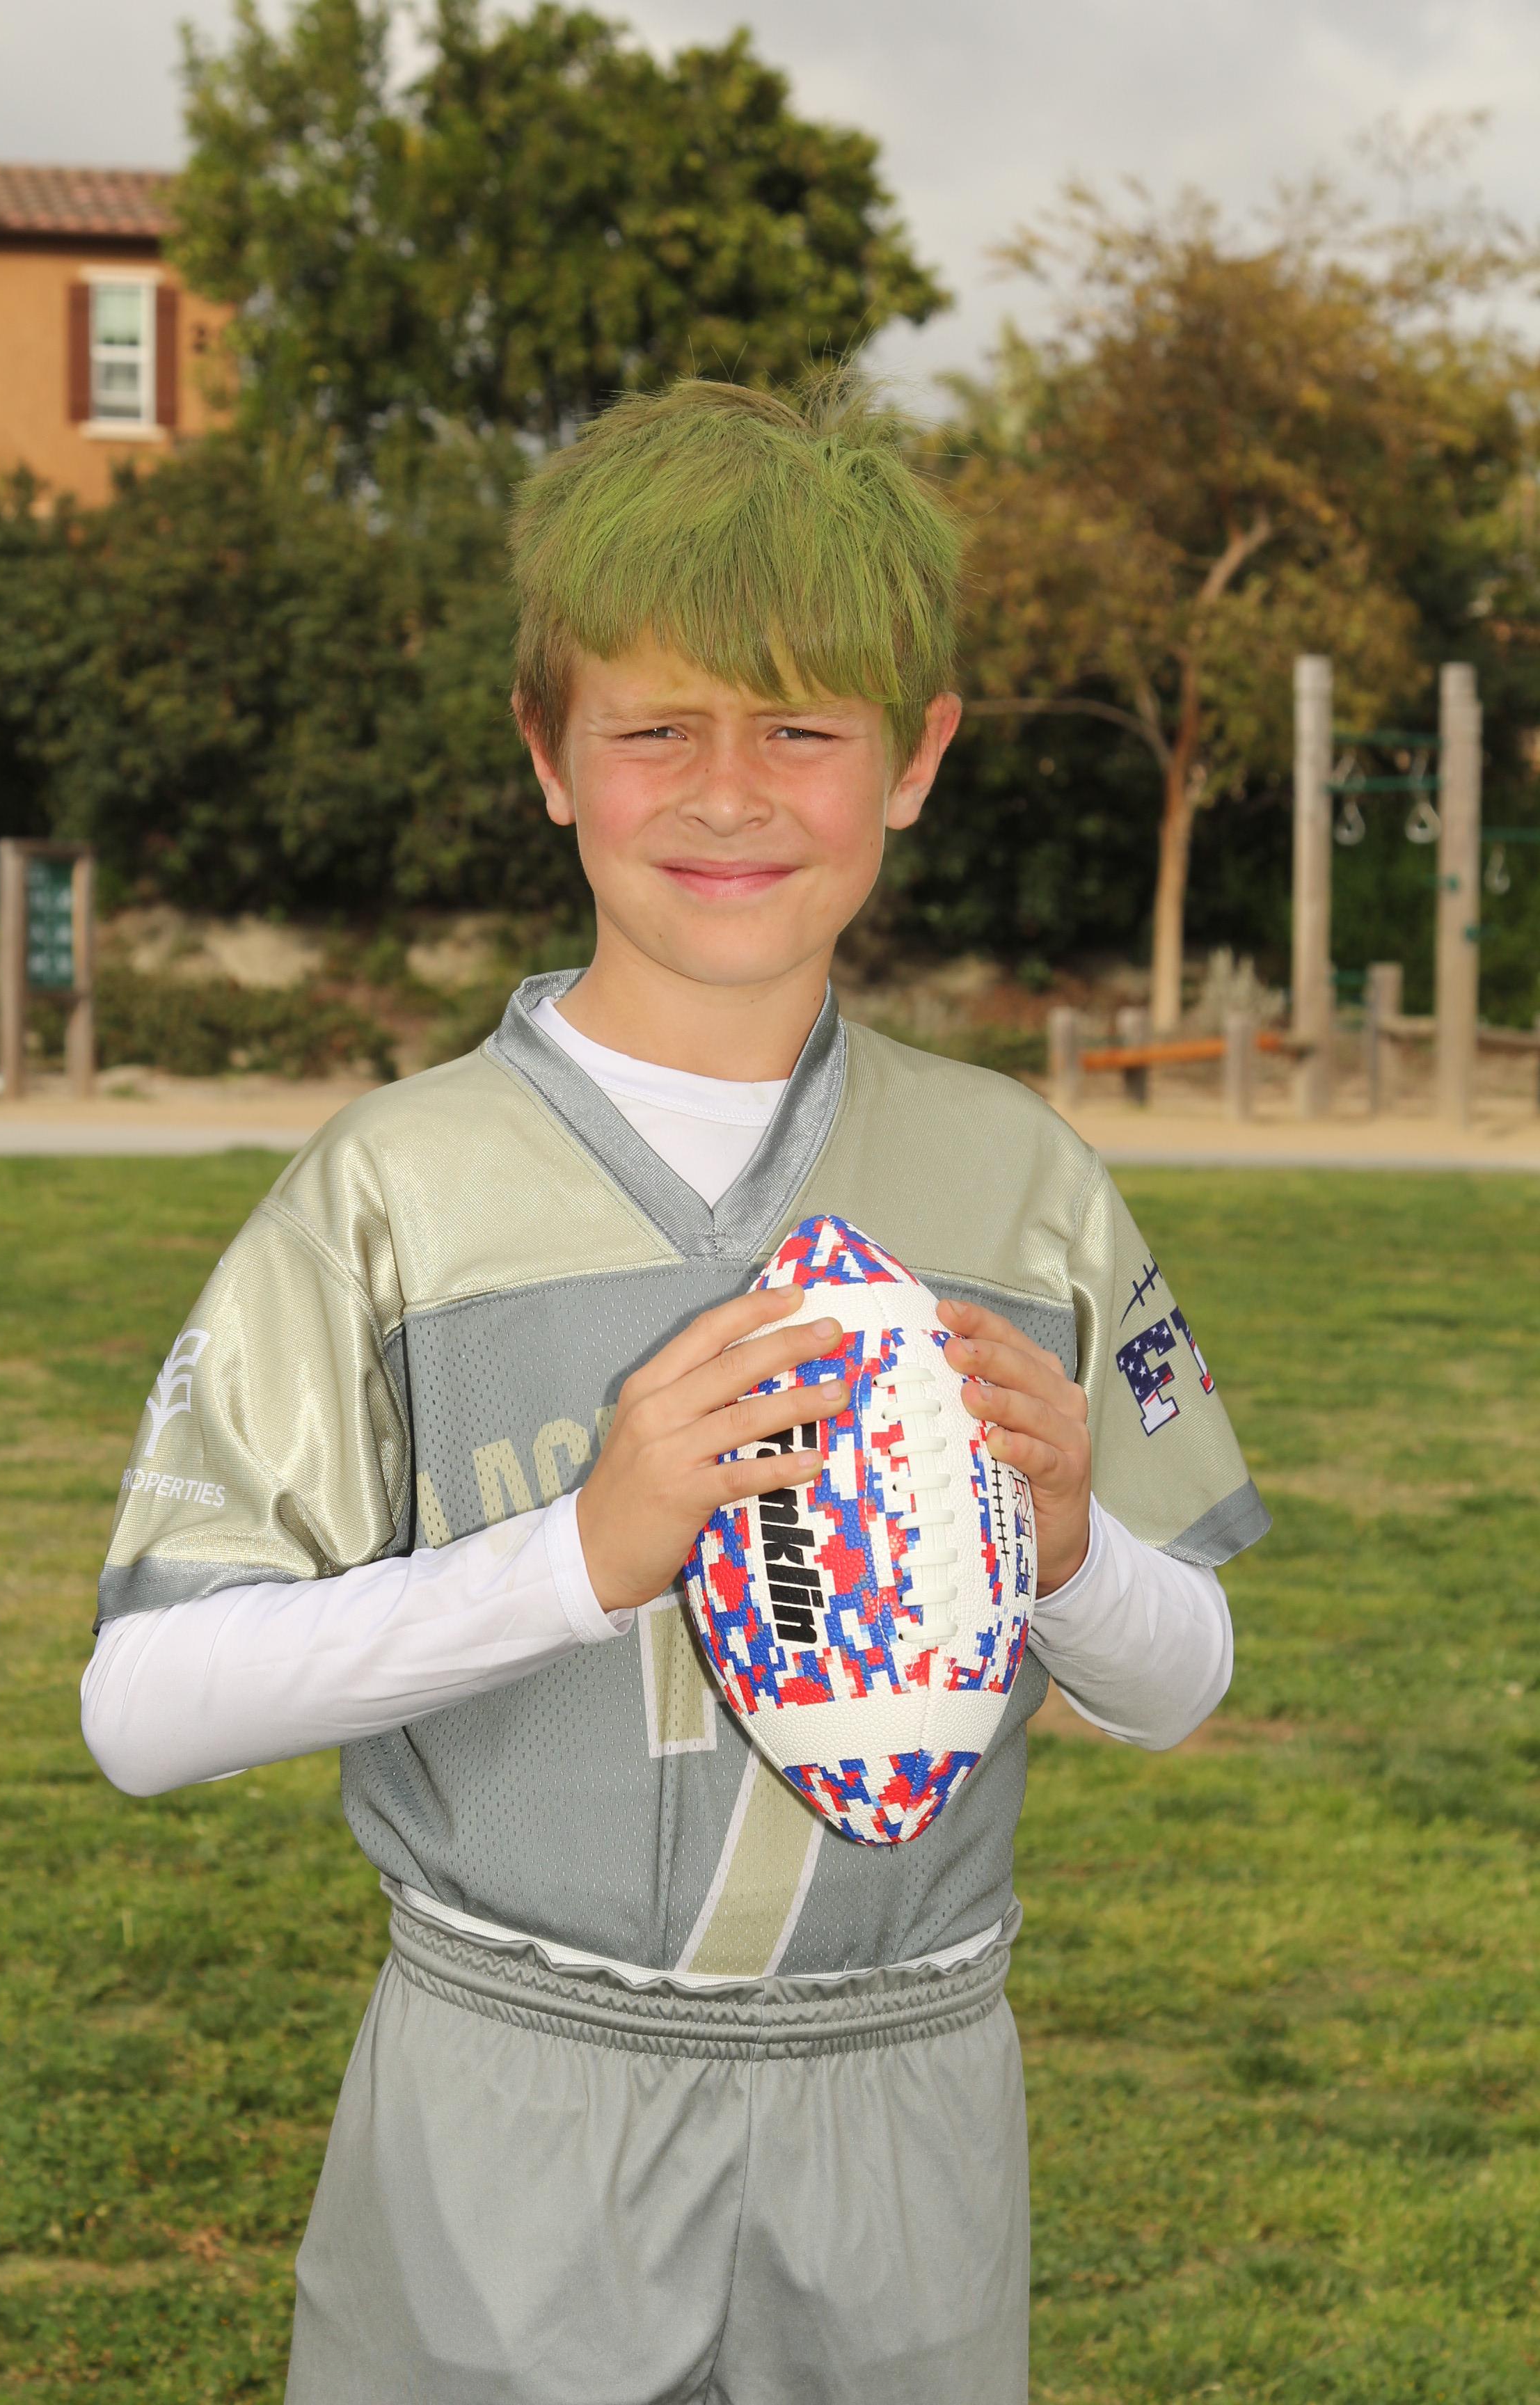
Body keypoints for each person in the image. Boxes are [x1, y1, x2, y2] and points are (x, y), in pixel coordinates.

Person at [82, 378, 1268, 2405]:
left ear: (916, 759)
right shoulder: (394, 1191)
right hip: (510, 2093)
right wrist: (578, 1555)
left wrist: (1070, 1554)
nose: (731, 795)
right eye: (657, 732)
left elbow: (1185, 1685)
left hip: (905, 2097)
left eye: (801, 730)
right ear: (550, 755)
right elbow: (146, 1711)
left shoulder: (1018, 1177)